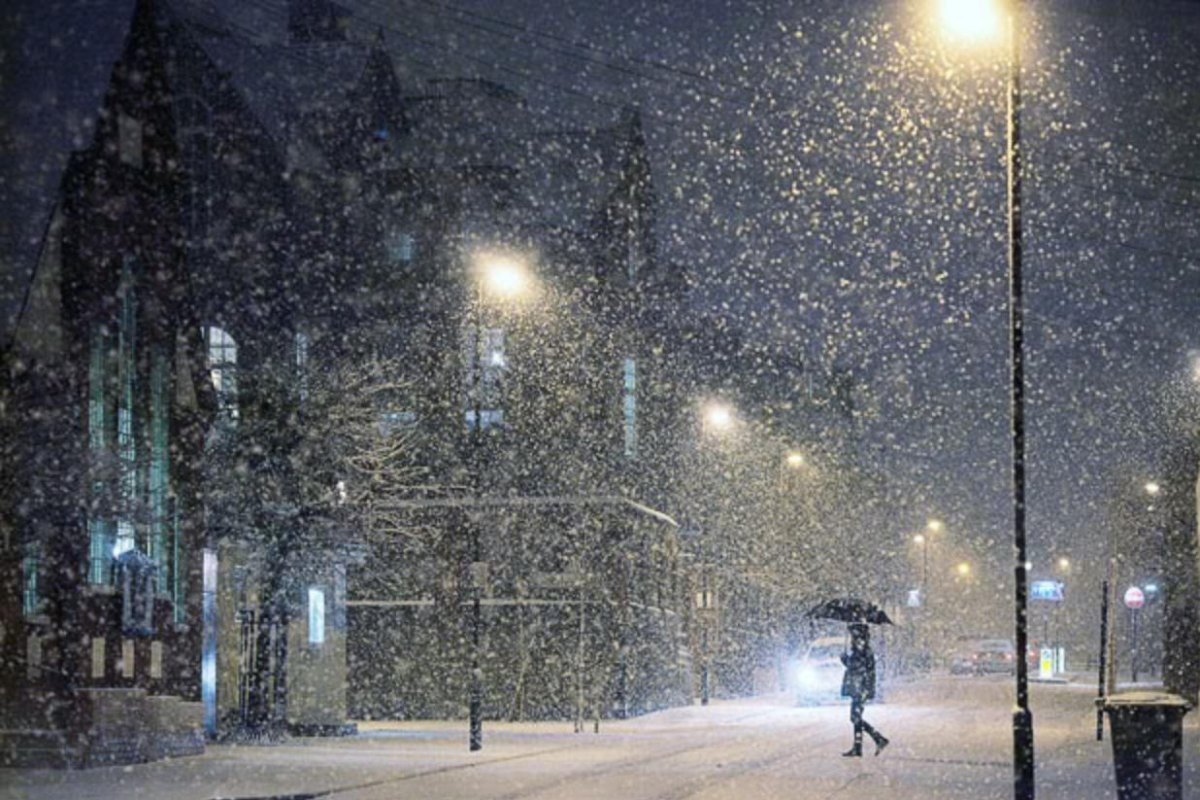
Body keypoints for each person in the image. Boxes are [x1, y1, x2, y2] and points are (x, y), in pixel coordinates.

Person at [840, 622, 888, 757]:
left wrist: (845, 660)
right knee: (856, 717)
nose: (851, 638)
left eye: (852, 634)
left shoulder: (861, 649)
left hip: (860, 688)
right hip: (860, 688)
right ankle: (858, 746)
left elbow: (857, 667)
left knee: (855, 717)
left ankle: (878, 738)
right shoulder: (863, 649)